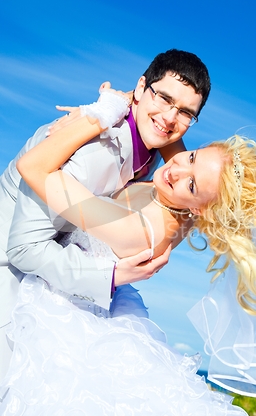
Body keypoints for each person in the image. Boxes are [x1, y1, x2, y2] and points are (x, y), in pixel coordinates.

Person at [15, 89, 256, 416]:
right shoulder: (179, 200)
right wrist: (132, 95)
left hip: (61, 306)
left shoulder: (137, 230)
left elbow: (33, 166)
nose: (177, 170)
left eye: (193, 186)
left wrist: (103, 112)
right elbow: (166, 132)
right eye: (192, 156)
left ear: (201, 209)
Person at [0, 49, 211, 379]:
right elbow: (24, 248)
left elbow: (183, 158)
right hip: (9, 278)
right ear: (141, 88)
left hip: (50, 278)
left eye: (185, 112)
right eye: (164, 98)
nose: (170, 118)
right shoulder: (92, 150)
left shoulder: (162, 160)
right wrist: (109, 277)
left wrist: (130, 101)